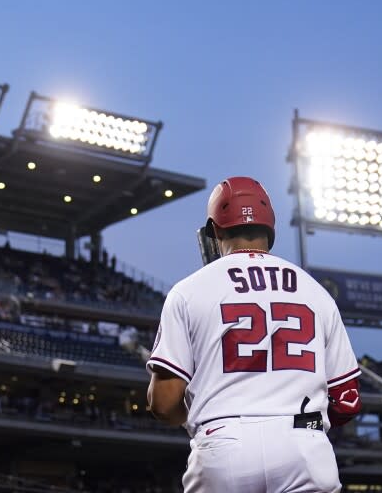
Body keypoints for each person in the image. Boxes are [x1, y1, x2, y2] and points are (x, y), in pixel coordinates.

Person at [146, 177, 361, 493]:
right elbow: (347, 401)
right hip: (304, 444)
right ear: (270, 230)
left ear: (215, 230)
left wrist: (206, 410)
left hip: (224, 442)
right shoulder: (316, 292)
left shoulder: (189, 291)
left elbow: (163, 404)